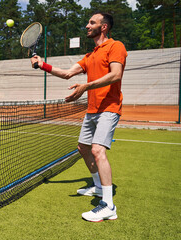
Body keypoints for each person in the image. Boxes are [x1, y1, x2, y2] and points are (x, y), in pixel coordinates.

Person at [31, 12, 127, 222]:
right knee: (83, 148)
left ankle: (108, 205)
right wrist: (42, 65)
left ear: (104, 27)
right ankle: (98, 186)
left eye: (92, 22)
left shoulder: (115, 46)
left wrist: (86, 86)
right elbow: (66, 73)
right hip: (92, 110)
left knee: (97, 150)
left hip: (109, 107)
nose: (87, 25)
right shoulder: (90, 55)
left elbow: (116, 74)